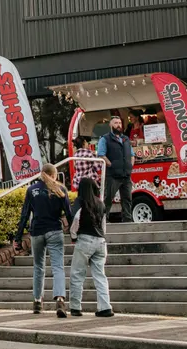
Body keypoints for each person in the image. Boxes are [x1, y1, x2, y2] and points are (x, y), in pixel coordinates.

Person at [15, 162, 71, 318]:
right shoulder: (61, 189)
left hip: (37, 232)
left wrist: (18, 238)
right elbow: (68, 212)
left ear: (41, 174)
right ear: (54, 175)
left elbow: (25, 215)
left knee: (38, 267)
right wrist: (74, 234)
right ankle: (60, 300)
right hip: (54, 231)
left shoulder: (31, 190)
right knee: (58, 266)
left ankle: (37, 301)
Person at [69, 176, 115, 318]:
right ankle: (105, 307)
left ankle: (76, 307)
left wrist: (73, 236)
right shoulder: (100, 203)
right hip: (101, 241)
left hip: (85, 240)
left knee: (77, 274)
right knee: (100, 275)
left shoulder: (80, 201)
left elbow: (75, 219)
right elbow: (103, 225)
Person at [98, 115, 135, 222]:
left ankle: (127, 219)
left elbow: (132, 155)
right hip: (112, 175)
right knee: (108, 198)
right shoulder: (105, 139)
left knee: (127, 198)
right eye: (116, 123)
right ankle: (104, 220)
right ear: (110, 125)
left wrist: (130, 166)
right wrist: (111, 165)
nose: (118, 125)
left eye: (119, 123)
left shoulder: (126, 139)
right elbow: (101, 155)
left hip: (126, 174)